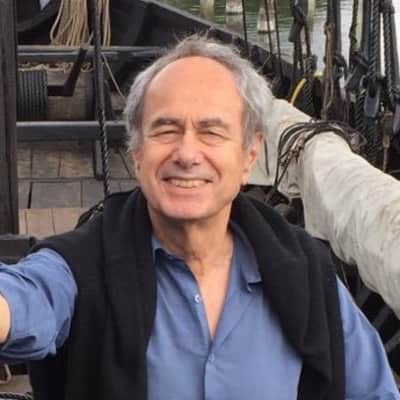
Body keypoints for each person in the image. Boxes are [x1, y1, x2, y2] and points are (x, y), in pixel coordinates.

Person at [0, 35, 398, 400]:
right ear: (137, 152)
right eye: (166, 130)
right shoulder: (81, 265)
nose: (187, 154)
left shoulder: (308, 273)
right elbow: (28, 298)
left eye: (211, 132)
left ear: (250, 155)